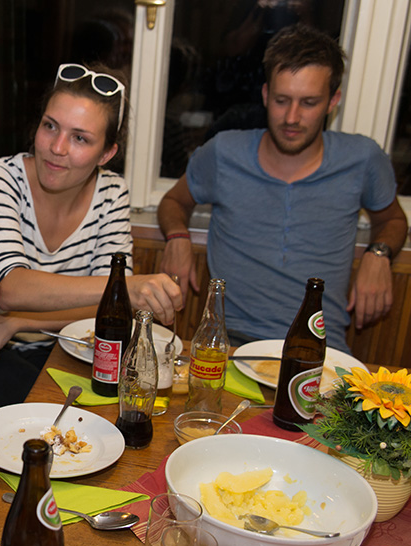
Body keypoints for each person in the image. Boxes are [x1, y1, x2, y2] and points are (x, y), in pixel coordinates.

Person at [0, 62, 182, 426]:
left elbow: (106, 312)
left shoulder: (112, 193)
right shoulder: (0, 178)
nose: (56, 147)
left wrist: (16, 322)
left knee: (117, 418)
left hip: (51, 352)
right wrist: (126, 287)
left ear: (106, 154)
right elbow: (10, 288)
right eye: (50, 126)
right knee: (59, 429)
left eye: (80, 138)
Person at [158, 23, 408, 354]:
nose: (291, 117)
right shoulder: (223, 153)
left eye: (308, 102)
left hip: (321, 349)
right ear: (265, 95)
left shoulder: (362, 158)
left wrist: (379, 254)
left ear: (333, 100)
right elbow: (174, 201)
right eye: (281, 100)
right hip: (230, 346)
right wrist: (177, 237)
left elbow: (393, 221)